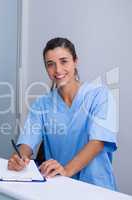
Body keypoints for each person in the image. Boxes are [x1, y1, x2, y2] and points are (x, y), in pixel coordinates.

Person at [8, 37, 117, 190]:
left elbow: (97, 142)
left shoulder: (100, 96)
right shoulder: (42, 104)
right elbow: (27, 141)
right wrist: (20, 158)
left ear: (75, 61)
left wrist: (66, 170)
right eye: (50, 64)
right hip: (60, 186)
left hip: (96, 188)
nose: (58, 70)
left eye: (64, 61)